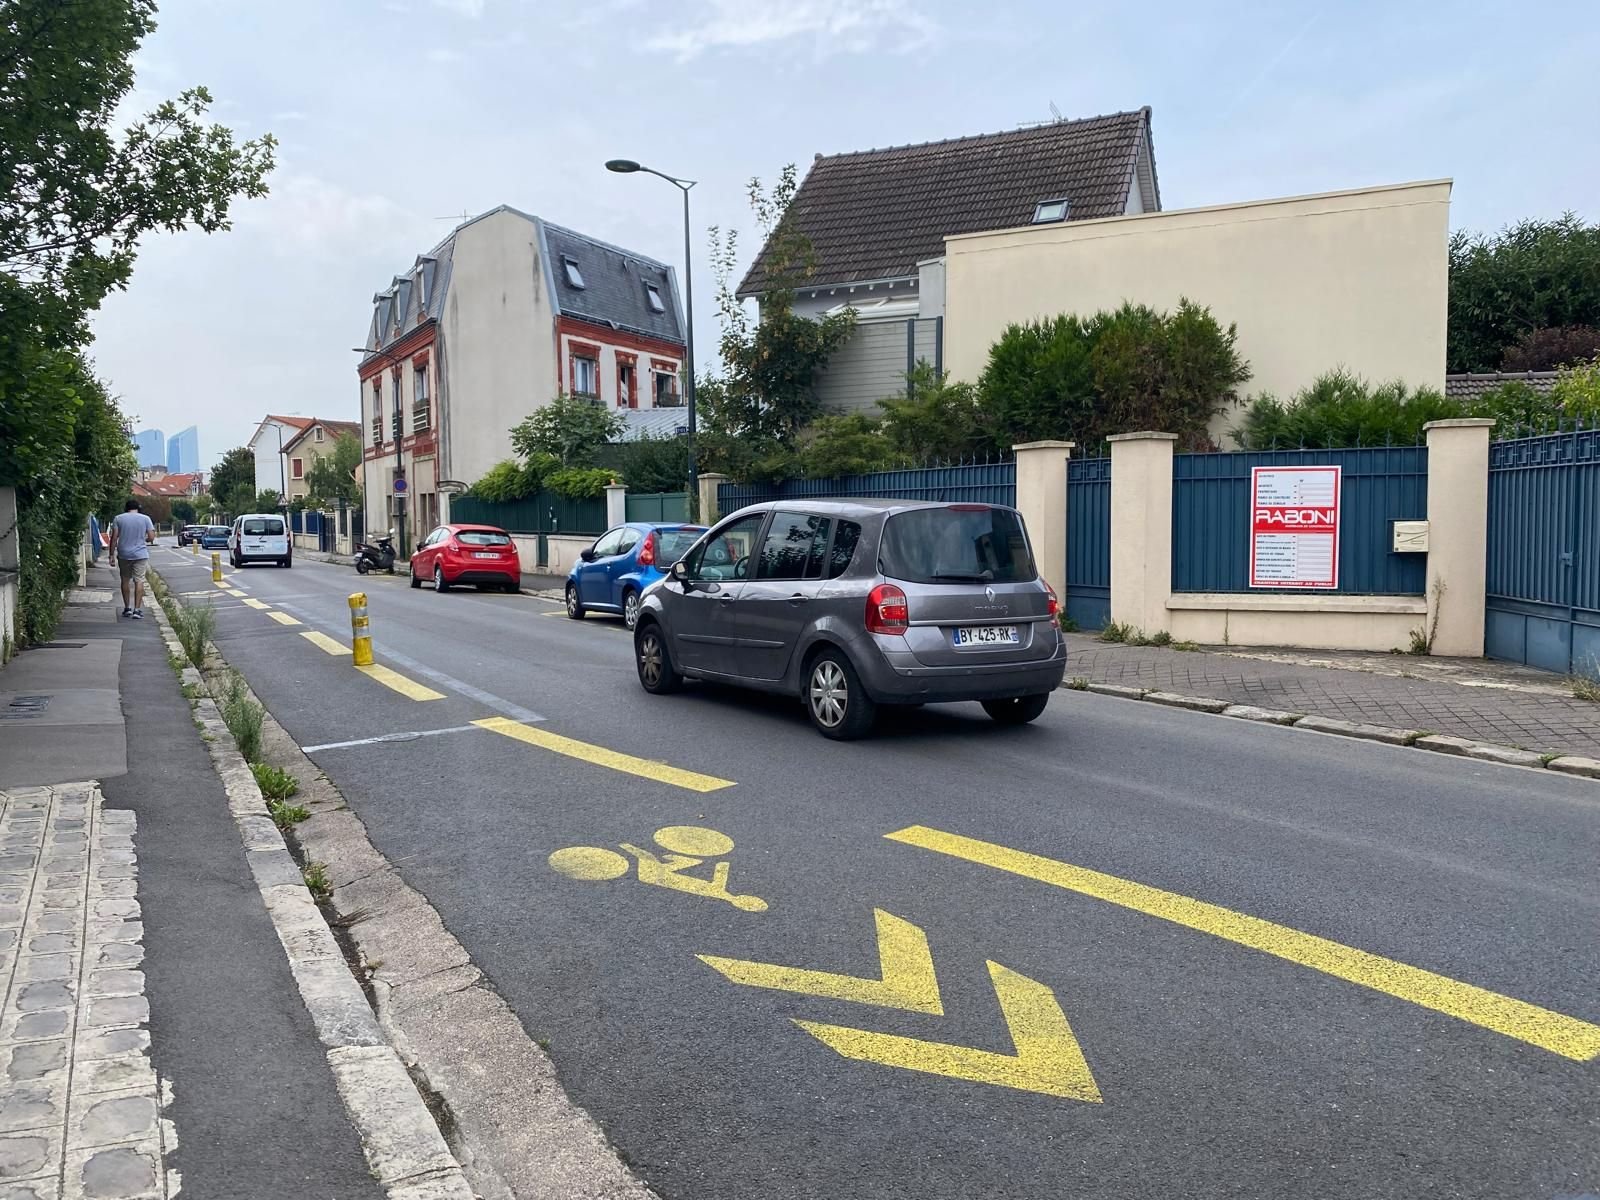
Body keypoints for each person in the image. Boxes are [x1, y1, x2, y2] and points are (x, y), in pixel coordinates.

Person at [109, 498, 156, 619]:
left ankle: (127, 608)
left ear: (126, 508)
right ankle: (137, 610)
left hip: (124, 553)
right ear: (138, 508)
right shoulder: (145, 518)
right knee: (139, 580)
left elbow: (114, 538)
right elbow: (151, 537)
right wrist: (144, 540)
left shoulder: (118, 518)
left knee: (125, 580)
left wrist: (111, 555)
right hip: (140, 554)